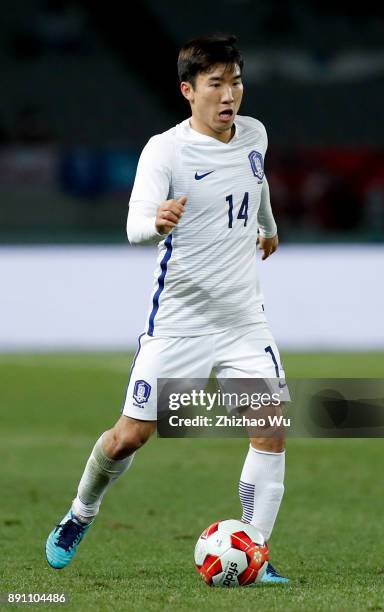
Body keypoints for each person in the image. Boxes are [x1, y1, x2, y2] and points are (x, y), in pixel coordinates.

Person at [45, 34, 288, 584]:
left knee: (270, 429)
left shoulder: (254, 134)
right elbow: (133, 225)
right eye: (216, 84)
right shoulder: (165, 150)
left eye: (236, 81)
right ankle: (80, 512)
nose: (230, 95)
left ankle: (257, 550)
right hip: (179, 324)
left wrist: (268, 227)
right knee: (128, 437)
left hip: (244, 321)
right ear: (188, 90)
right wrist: (157, 221)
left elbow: (257, 178)